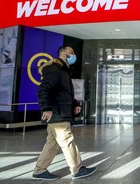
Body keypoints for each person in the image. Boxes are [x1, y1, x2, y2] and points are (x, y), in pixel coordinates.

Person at [32, 46, 96, 180]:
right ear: (63, 53)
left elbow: (64, 92)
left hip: (61, 111)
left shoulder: (63, 71)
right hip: (57, 113)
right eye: (71, 53)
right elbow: (43, 90)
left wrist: (74, 104)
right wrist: (46, 108)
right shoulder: (54, 69)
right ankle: (76, 169)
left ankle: (39, 170)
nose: (74, 56)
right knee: (67, 140)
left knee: (52, 143)